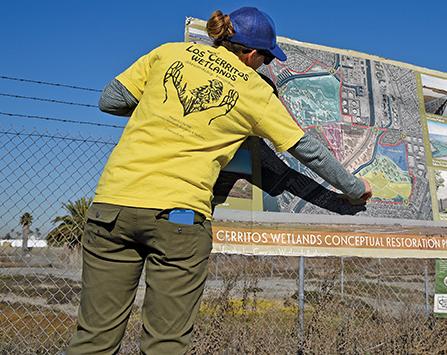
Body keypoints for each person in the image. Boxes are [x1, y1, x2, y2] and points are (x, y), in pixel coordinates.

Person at [67, 7, 371, 354]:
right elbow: (308, 150)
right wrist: (354, 188)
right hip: (178, 218)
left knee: (93, 338)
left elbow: (109, 101)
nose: (265, 66)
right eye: (267, 59)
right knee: (164, 344)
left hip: (112, 208)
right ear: (252, 54)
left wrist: (161, 112)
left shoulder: (167, 53)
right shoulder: (254, 90)